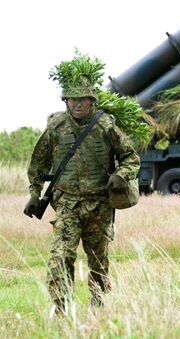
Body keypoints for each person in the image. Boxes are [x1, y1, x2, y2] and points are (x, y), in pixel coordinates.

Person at [23, 76, 140, 314]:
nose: (76, 104)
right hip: (66, 204)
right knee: (60, 256)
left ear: (91, 100)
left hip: (99, 204)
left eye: (82, 99)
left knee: (98, 260)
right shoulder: (55, 128)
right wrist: (35, 194)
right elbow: (38, 164)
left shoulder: (106, 126)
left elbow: (131, 157)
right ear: (65, 100)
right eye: (71, 99)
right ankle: (61, 308)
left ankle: (98, 303)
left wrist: (121, 175)